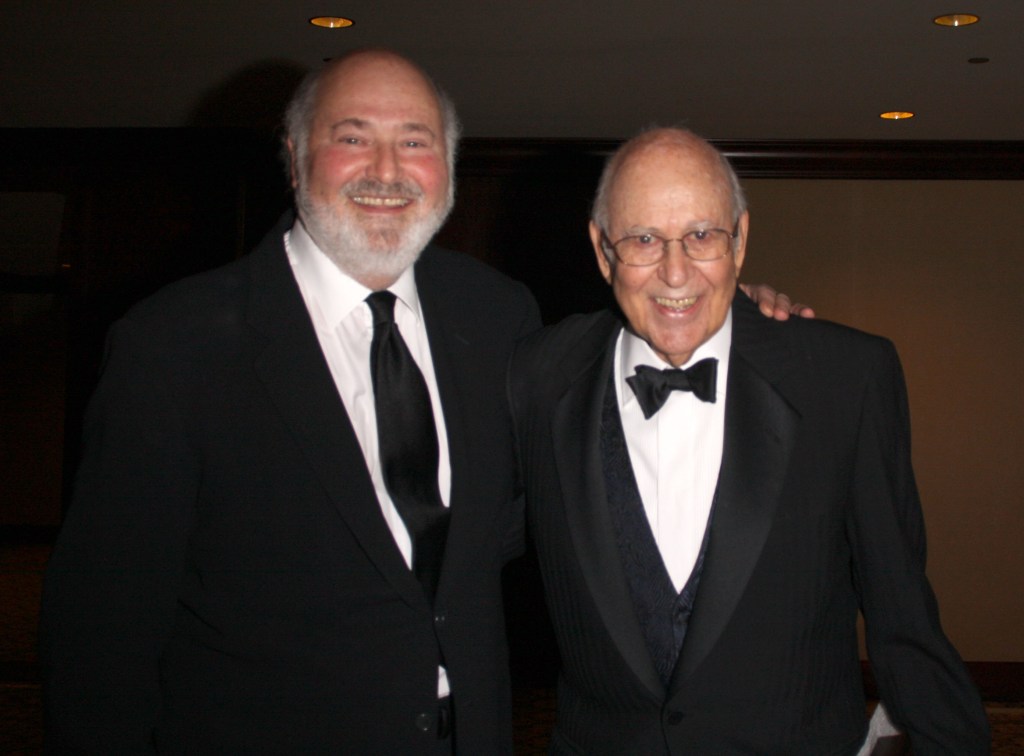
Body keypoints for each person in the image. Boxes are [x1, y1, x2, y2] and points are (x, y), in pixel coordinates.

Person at [39, 50, 804, 752]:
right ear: (294, 155)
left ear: (448, 165)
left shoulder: (497, 316)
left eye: (415, 141)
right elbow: (101, 631)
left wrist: (724, 316)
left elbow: (609, 387)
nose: (386, 169)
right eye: (352, 137)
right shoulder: (175, 345)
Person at [506, 128, 989, 754]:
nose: (675, 271)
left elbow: (905, 619)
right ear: (603, 251)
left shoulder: (844, 380)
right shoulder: (532, 379)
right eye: (644, 239)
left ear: (740, 242)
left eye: (702, 236)